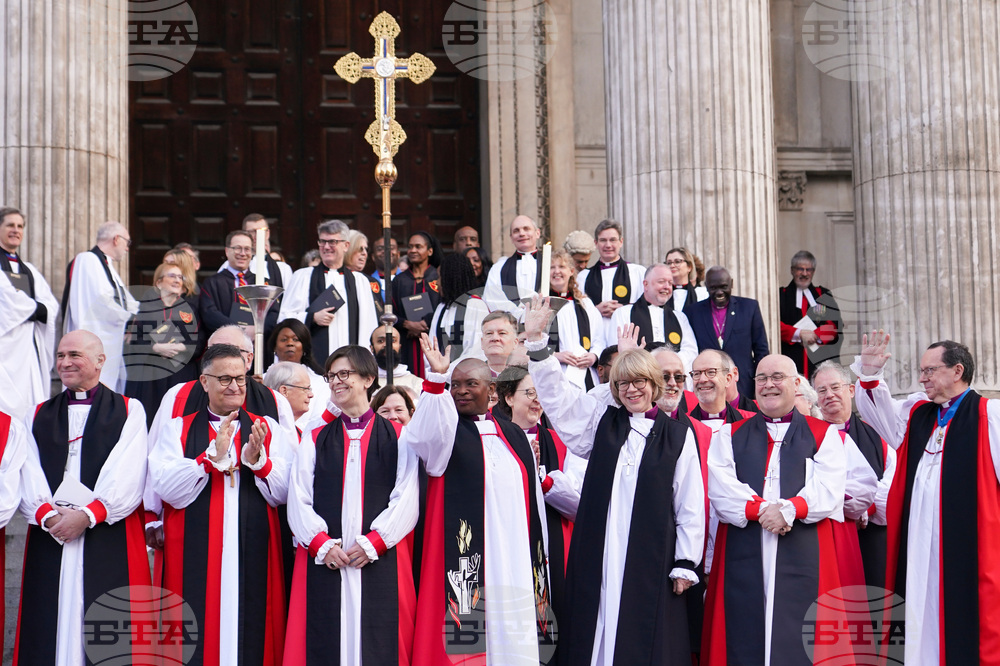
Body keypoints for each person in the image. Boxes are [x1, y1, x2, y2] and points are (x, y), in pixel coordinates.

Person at [523, 297, 705, 665]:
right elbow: (559, 402)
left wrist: (686, 560)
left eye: (640, 382)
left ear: (655, 384)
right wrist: (538, 344)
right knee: (595, 625)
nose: (631, 390)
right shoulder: (601, 423)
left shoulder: (677, 435)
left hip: (650, 552)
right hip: (599, 547)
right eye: (623, 383)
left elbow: (689, 501)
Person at [852, 331, 1000, 664]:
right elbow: (880, 416)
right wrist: (870, 374)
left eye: (930, 370)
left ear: (957, 371)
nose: (922, 378)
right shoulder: (918, 413)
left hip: (967, 544)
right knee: (918, 605)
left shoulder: (990, 416)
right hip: (918, 542)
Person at [402, 343, 551, 664]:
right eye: (456, 385)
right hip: (466, 561)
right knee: (470, 635)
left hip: (514, 560)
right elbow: (421, 437)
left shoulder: (514, 436)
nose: (461, 391)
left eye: (471, 383)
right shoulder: (446, 434)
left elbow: (533, 503)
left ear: (492, 390)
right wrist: (435, 381)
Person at [703, 354, 848, 666]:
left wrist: (790, 509)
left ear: (796, 384)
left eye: (777, 377)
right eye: (761, 379)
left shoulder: (824, 434)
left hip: (804, 553)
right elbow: (721, 489)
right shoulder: (729, 435)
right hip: (744, 553)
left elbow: (830, 488)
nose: (769, 385)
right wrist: (762, 510)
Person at [150, 343, 291, 665]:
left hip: (255, 545)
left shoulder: (268, 429)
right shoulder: (177, 429)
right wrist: (209, 458)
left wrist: (259, 462)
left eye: (241, 379)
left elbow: (285, 493)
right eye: (225, 379)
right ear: (204, 382)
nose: (236, 387)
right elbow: (167, 489)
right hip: (194, 546)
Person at [17, 330, 149, 664]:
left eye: (74, 355)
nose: (64, 362)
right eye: (60, 356)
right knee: (48, 621)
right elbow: (28, 470)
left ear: (100, 361)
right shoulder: (36, 415)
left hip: (104, 532)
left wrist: (88, 515)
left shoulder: (129, 410)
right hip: (52, 534)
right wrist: (47, 514)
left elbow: (128, 472)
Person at [283, 346, 419, 665]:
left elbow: (407, 497)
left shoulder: (399, 436)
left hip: (377, 557)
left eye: (345, 374)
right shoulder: (316, 436)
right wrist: (320, 544)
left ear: (369, 378)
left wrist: (376, 541)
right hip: (327, 558)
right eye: (331, 376)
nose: (336, 382)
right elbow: (298, 495)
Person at [494, 365, 583, 621]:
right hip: (509, 545)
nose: (537, 400)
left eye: (541, 393)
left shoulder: (564, 442)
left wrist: (542, 481)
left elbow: (581, 506)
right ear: (509, 398)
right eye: (530, 392)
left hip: (553, 548)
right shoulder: (493, 440)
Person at [813, 360, 894, 588]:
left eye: (835, 387)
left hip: (872, 535)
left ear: (850, 390)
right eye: (822, 390)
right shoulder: (809, 435)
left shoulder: (877, 434)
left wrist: (865, 508)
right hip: (826, 534)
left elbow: (891, 483)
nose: (829, 395)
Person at [279, 220, 379, 367]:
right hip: (310, 367)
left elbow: (369, 325)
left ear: (346, 245)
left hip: (351, 366)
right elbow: (284, 318)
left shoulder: (360, 281)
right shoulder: (303, 277)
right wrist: (311, 317)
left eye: (332, 242)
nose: (326, 247)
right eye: (322, 241)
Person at [124, 263, 205, 426]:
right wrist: (154, 348)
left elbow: (201, 339)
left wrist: (182, 347)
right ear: (159, 282)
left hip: (181, 373)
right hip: (152, 379)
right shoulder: (144, 309)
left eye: (180, 277)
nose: (177, 280)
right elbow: (131, 343)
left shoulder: (190, 309)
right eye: (172, 276)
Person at [61, 221, 139, 391]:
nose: (128, 248)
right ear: (116, 239)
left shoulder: (106, 265)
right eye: (128, 242)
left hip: (111, 344)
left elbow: (127, 301)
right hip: (92, 341)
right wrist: (131, 316)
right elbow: (102, 302)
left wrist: (139, 313)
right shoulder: (87, 260)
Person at [0, 207, 59, 418]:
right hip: (5, 348)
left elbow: (50, 305)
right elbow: (8, 300)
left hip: (28, 349)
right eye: (10, 225)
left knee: (28, 407)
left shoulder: (30, 270)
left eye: (20, 226)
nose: (16, 230)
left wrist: (34, 309)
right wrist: (35, 308)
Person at [687, 265, 769, 399]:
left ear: (731, 284)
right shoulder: (693, 312)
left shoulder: (749, 307)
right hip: (708, 385)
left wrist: (760, 383)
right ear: (706, 286)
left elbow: (761, 350)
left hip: (744, 384)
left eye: (723, 287)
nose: (719, 292)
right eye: (713, 288)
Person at [200, 229, 281, 348]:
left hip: (258, 347)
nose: (243, 253)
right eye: (237, 248)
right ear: (227, 251)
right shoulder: (212, 283)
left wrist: (257, 330)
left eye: (247, 249)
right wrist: (239, 330)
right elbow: (210, 314)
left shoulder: (263, 282)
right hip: (225, 346)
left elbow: (273, 312)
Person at [609, 263, 697, 370]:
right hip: (639, 373)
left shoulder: (679, 317)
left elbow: (691, 350)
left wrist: (668, 363)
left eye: (670, 283)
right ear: (646, 284)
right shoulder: (623, 313)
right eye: (661, 282)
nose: (666, 287)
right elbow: (616, 348)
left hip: (671, 376)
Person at [576, 219, 646, 340]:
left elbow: (647, 307)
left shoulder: (638, 272)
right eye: (603, 240)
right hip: (596, 338)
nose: (608, 245)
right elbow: (576, 312)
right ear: (596, 243)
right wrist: (595, 310)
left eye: (613, 240)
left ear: (621, 242)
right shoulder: (583, 277)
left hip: (628, 337)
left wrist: (623, 310)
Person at [779, 250, 842, 378]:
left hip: (820, 361)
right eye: (800, 269)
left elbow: (835, 326)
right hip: (791, 360)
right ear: (792, 270)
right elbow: (774, 326)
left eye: (809, 270)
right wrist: (799, 334)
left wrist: (815, 336)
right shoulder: (782, 295)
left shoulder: (823, 294)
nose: (805, 273)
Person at [548, 248, 604, 389]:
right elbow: (530, 343)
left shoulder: (585, 304)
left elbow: (599, 339)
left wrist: (593, 356)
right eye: (551, 267)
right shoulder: (540, 305)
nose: (556, 271)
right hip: (553, 371)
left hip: (584, 372)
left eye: (561, 267)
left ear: (571, 271)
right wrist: (555, 355)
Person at [392, 231, 442, 378]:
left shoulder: (438, 276)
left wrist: (426, 323)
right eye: (410, 247)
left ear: (430, 251)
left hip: (433, 340)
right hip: (406, 342)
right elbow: (390, 311)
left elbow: (444, 305)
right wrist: (407, 324)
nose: (413, 250)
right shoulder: (399, 280)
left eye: (418, 246)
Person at [267, 318, 330, 428]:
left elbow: (319, 421)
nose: (290, 343)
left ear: (304, 347)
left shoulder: (321, 384)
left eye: (296, 339)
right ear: (274, 347)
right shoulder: (262, 380)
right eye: (284, 339)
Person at [429, 252, 489, 357]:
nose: (437, 283)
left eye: (439, 277)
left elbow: (475, 350)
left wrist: (448, 370)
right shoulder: (442, 307)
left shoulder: (476, 306)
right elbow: (432, 345)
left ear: (451, 279)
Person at [483, 214, 542, 314]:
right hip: (512, 323)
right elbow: (491, 297)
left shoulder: (551, 264)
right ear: (511, 238)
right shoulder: (499, 267)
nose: (522, 234)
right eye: (516, 231)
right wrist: (518, 314)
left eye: (526, 229)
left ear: (537, 233)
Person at [216, 213, 293, 287]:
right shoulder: (230, 265)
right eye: (251, 232)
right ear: (244, 234)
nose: (256, 236)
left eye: (261, 231)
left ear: (267, 234)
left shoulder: (282, 269)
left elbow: (288, 298)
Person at [263, 361, 315, 435]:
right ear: (284, 391)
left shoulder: (301, 434)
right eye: (305, 389)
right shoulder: (264, 431)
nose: (311, 395)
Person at [371, 325, 423, 395]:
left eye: (392, 340)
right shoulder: (364, 383)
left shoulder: (417, 383)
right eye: (380, 341)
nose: (387, 345)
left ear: (399, 346)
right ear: (372, 348)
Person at [665, 247, 707, 313]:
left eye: (677, 262)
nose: (672, 265)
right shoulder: (663, 294)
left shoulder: (702, 294)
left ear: (689, 267)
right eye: (669, 263)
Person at [480, 311, 520, 377]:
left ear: (515, 343)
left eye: (502, 333)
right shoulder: (470, 377)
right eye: (489, 333)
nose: (495, 338)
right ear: (482, 343)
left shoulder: (529, 377)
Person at [370, 235, 398, 302]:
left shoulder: (409, 280)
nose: (386, 251)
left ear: (398, 254)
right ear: (373, 257)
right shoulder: (366, 282)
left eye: (391, 248)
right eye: (380, 249)